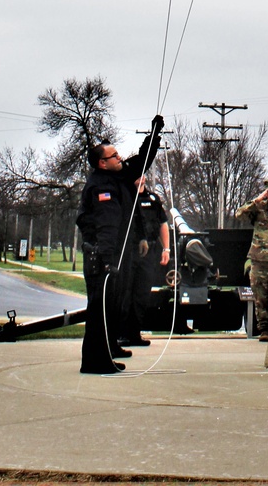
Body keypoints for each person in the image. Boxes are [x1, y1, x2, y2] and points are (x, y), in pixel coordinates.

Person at [76, 142, 153, 374]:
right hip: (102, 258)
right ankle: (94, 361)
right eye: (114, 156)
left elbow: (140, 162)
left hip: (115, 255)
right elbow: (106, 226)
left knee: (113, 307)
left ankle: (108, 352)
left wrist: (154, 136)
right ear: (102, 163)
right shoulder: (102, 187)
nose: (120, 158)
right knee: (100, 310)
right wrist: (108, 260)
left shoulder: (116, 177)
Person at [117, 182, 170, 349]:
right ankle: (121, 334)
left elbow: (162, 224)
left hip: (150, 251)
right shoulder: (124, 197)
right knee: (126, 292)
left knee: (142, 293)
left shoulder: (153, 199)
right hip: (129, 250)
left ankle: (135, 333)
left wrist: (166, 249)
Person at [235, 178, 268, 341]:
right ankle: (264, 329)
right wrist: (258, 199)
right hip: (260, 259)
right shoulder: (259, 209)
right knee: (260, 296)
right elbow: (239, 214)